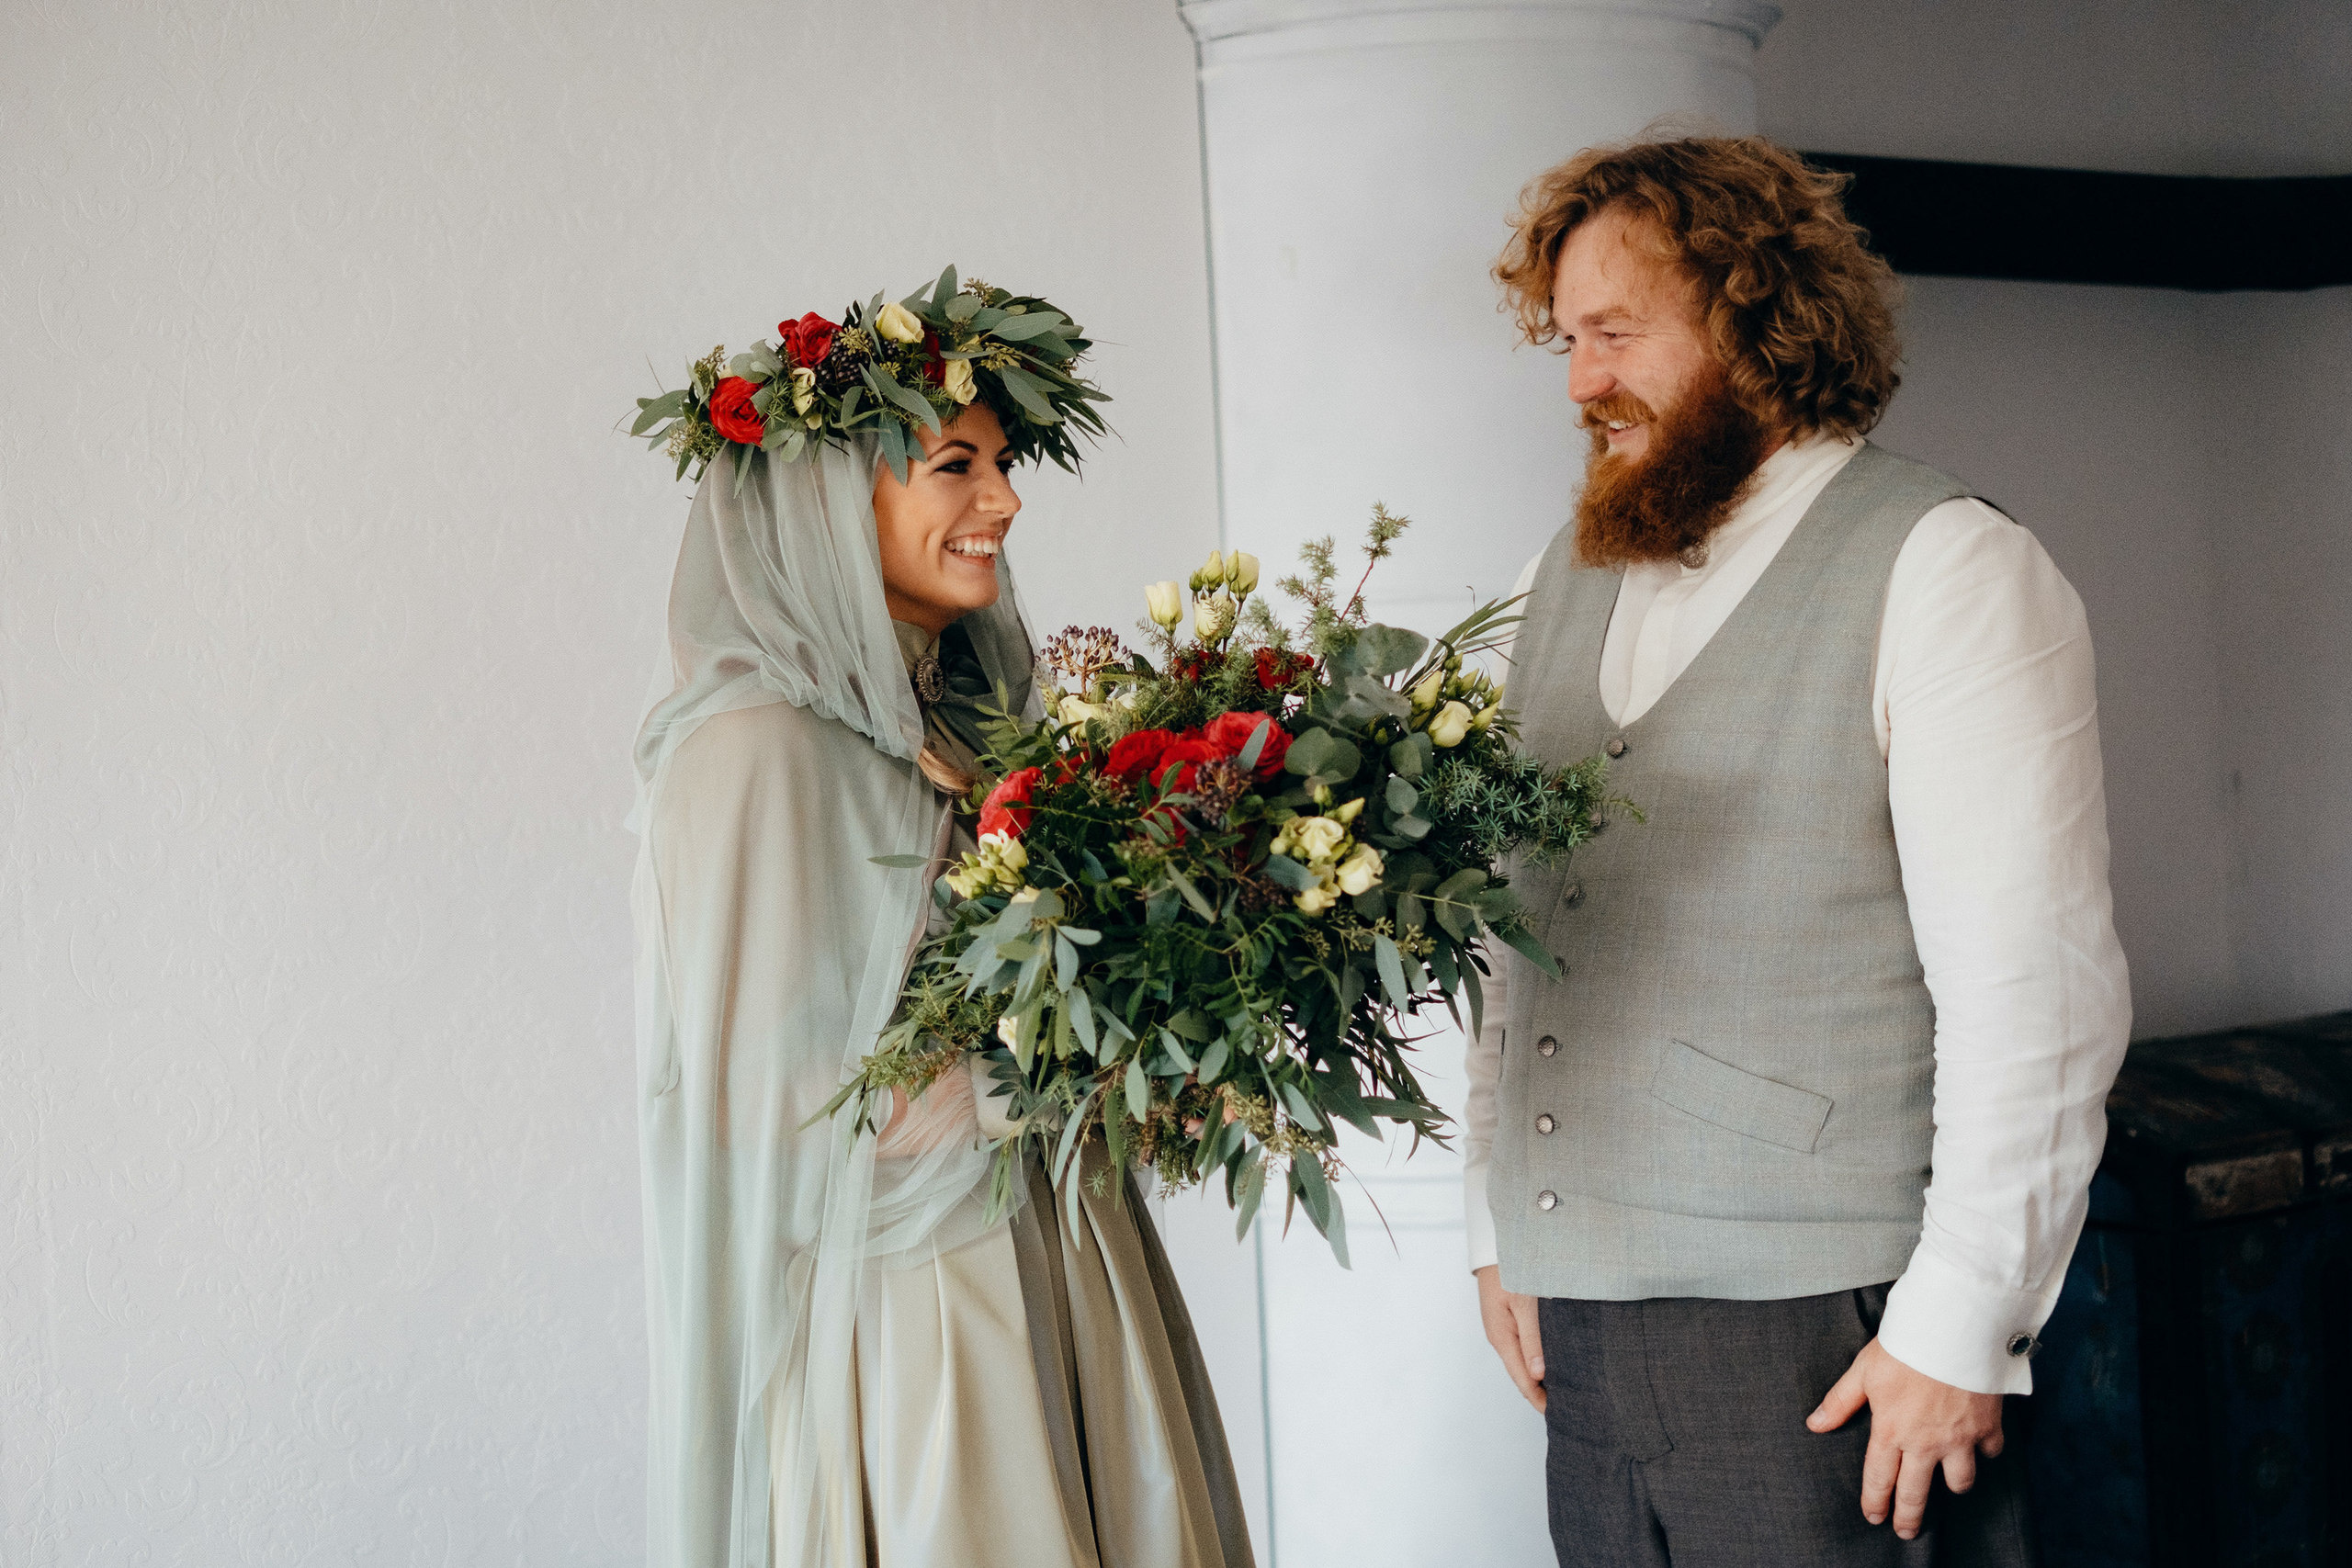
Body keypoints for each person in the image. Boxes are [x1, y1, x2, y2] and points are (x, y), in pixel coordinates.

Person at [1461, 136, 2132, 1566]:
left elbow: (2037, 989)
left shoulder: (1945, 565)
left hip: (1838, 1337)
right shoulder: (1551, 581)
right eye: (1566, 342)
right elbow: (1513, 934)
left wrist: (1959, 1326)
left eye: (1614, 334)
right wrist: (1497, 1221)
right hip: (1585, 1329)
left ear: (1753, 318)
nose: (1580, 383)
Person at [631, 358, 1255, 1567]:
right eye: (956, 466)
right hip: (922, 1306)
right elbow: (751, 1095)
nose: (1005, 502)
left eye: (1004, 465)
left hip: (1062, 1250)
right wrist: (1036, 1075)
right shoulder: (756, 748)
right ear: (827, 503)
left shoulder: (962, 729)